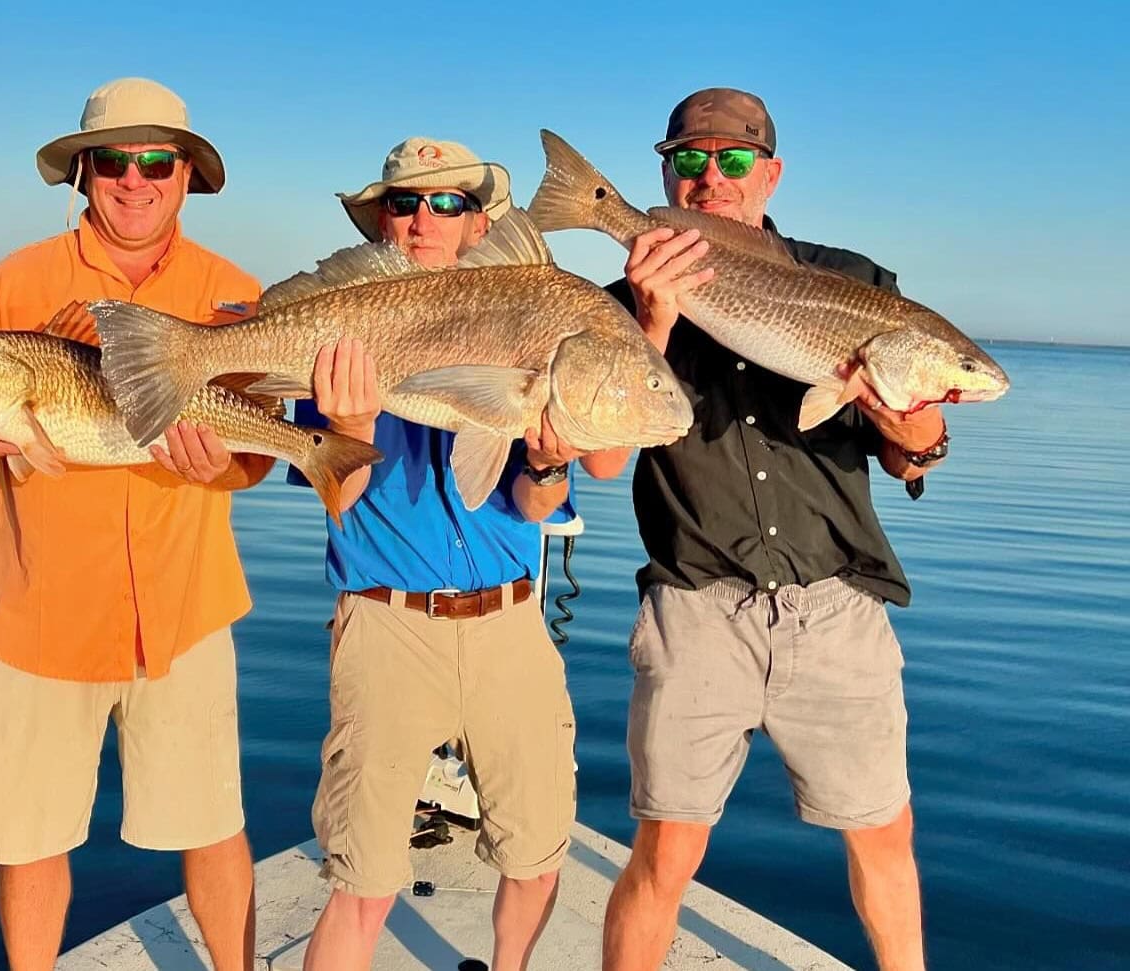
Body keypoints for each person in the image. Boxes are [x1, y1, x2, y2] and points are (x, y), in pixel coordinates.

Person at [589, 88, 947, 971]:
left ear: (771, 173)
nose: (713, 177)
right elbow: (599, 455)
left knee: (883, 830)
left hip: (836, 606)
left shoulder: (855, 282)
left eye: (734, 159)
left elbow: (915, 452)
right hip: (695, 604)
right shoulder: (617, 298)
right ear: (664, 174)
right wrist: (653, 319)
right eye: (691, 160)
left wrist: (917, 434)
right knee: (667, 848)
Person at [0, 77, 265, 971]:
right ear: (82, 173)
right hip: (40, 618)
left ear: (188, 175)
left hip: (185, 616)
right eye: (113, 159)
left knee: (214, 824)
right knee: (29, 839)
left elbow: (255, 456)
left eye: (158, 159)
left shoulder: (233, 294)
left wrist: (223, 461)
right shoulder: (12, 283)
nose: (135, 178)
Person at [290, 137, 601, 971]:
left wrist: (546, 457)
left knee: (537, 853)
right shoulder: (336, 334)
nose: (425, 217)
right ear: (383, 222)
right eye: (405, 202)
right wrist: (349, 423)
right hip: (389, 625)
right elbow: (338, 498)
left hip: (508, 622)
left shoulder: (529, 325)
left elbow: (538, 503)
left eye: (449, 202)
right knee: (365, 879)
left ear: (479, 222)